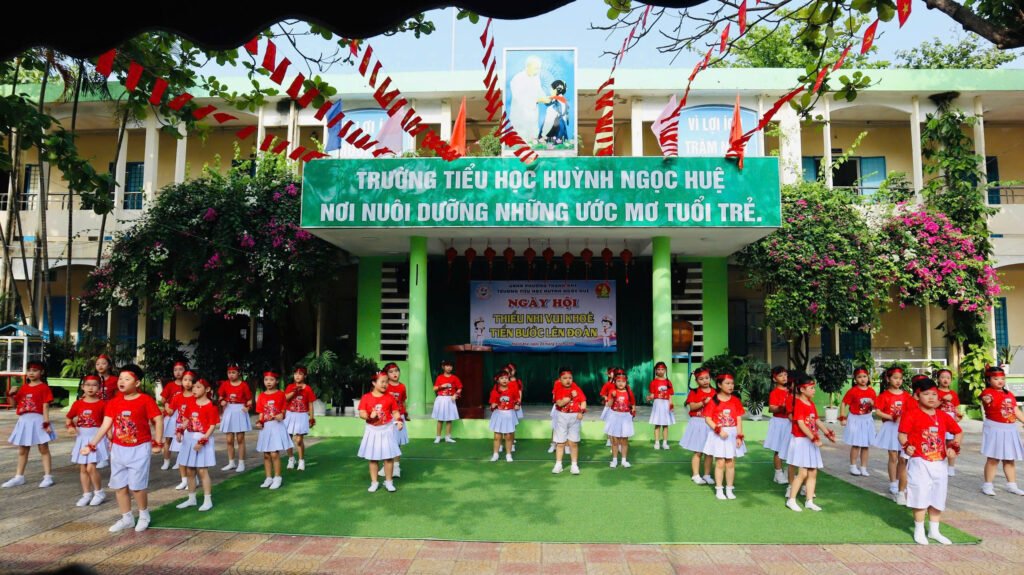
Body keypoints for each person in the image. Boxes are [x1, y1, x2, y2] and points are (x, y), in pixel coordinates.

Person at [81, 364, 163, 533]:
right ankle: (127, 518)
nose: (122, 382)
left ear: (137, 383)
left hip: (139, 447)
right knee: (120, 486)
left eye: (127, 379)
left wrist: (157, 442)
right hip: (118, 448)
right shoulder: (114, 402)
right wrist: (91, 445)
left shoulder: (145, 400)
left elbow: (158, 419)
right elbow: (105, 425)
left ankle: (144, 515)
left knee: (137, 486)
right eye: (120, 378)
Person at [900, 377, 963, 544]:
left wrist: (954, 446)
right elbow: (902, 434)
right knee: (920, 494)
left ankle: (934, 531)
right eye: (926, 394)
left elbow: (958, 432)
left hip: (940, 462)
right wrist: (907, 446)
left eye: (934, 394)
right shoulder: (911, 414)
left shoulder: (943, 416)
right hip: (920, 461)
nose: (931, 397)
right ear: (917, 396)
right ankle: (919, 530)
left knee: (937, 494)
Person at [785, 373, 836, 512]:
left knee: (813, 472)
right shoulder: (799, 404)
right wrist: (814, 438)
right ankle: (791, 500)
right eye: (811, 388)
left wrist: (827, 433)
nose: (814, 390)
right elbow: (801, 424)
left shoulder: (811, 404)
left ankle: (809, 501)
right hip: (802, 441)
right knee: (802, 473)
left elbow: (816, 420)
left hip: (811, 441)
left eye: (814, 388)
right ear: (802, 389)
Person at [2, 361, 55, 489]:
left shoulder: (44, 388)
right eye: (29, 370)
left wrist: (46, 423)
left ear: (41, 372)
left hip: (38, 420)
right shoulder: (24, 388)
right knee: (23, 450)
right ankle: (19, 477)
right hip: (24, 421)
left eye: (35, 370)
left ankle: (48, 477)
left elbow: (45, 406)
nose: (31, 373)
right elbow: (14, 405)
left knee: (43, 448)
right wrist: (10, 394)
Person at [174, 378, 219, 511]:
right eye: (193, 387)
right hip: (189, 438)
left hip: (202, 438)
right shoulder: (190, 403)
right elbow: (186, 420)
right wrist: (180, 431)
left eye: (198, 387)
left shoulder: (211, 406)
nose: (194, 389)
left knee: (202, 470)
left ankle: (207, 500)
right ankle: (191, 499)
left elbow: (212, 426)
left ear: (207, 389)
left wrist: (203, 441)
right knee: (190, 470)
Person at [979, 366, 1024, 496]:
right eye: (996, 378)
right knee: (993, 458)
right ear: (989, 380)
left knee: (1009, 458)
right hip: (994, 428)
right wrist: (987, 399)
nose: (1000, 381)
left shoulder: (1009, 394)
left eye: (1002, 378)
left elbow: (1015, 410)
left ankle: (1012, 485)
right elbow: (986, 398)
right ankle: (987, 485)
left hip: (1010, 428)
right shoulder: (987, 392)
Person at [702, 372, 746, 500]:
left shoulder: (736, 401)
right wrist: (718, 430)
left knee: (730, 463)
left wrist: (739, 436)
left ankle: (729, 489)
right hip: (719, 435)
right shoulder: (713, 400)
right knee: (720, 462)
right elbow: (708, 419)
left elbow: (738, 420)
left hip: (732, 435)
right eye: (727, 383)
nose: (731, 386)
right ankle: (719, 489)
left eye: (732, 383)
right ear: (719, 385)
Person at [66, 375, 108, 506]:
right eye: (88, 385)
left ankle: (99, 492)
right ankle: (86, 494)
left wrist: (110, 438)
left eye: (94, 385)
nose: (91, 388)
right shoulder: (78, 404)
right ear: (83, 387)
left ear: (99, 388)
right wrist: (70, 427)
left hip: (96, 438)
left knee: (91, 467)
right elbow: (69, 418)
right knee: (83, 468)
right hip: (82, 438)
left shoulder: (103, 404)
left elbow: (107, 422)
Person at [358, 371, 403, 492]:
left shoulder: (390, 397)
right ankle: (374, 482)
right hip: (372, 431)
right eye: (382, 382)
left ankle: (389, 482)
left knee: (388, 457)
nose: (385, 384)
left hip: (387, 430)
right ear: (374, 383)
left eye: (387, 382)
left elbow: (395, 412)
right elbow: (361, 412)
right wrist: (369, 415)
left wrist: (399, 421)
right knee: (373, 458)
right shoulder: (366, 397)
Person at [872, 367, 910, 504]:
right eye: (895, 378)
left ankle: (901, 481)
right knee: (893, 456)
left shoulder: (906, 396)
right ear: (888, 379)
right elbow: (878, 412)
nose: (898, 381)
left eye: (900, 378)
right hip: (890, 427)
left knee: (902, 458)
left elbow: (912, 410)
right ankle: (893, 482)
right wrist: (891, 417)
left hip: (904, 428)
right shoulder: (884, 395)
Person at [255, 371, 292, 490]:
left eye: (271, 380)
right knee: (266, 454)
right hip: (266, 427)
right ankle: (268, 478)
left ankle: (277, 477)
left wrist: (281, 415)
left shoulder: (281, 394)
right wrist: (259, 422)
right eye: (266, 380)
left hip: (276, 426)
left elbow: (284, 411)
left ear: (276, 381)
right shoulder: (261, 396)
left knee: (274, 453)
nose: (268, 382)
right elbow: (261, 413)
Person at [679, 367, 715, 485]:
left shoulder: (715, 392)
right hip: (698, 423)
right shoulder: (694, 392)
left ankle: (707, 475)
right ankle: (695, 475)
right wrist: (703, 402)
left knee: (709, 452)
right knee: (698, 451)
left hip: (711, 424)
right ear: (696, 381)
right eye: (701, 379)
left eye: (707, 378)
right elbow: (692, 407)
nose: (705, 381)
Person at [840, 367, 877, 477]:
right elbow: (843, 403)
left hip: (867, 419)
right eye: (859, 377)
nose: (862, 379)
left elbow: (876, 406)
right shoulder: (853, 391)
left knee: (865, 445)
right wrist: (842, 417)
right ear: (855, 379)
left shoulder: (871, 391)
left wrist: (872, 403)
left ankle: (863, 467)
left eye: (864, 376)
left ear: (868, 377)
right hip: (855, 419)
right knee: (856, 444)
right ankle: (853, 466)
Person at [551, 368, 587, 475]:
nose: (568, 380)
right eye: (565, 378)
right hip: (562, 417)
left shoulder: (576, 388)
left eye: (570, 378)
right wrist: (570, 396)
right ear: (560, 379)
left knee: (573, 443)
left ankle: (574, 465)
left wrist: (581, 411)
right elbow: (560, 403)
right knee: (560, 442)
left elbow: (583, 401)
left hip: (574, 417)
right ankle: (558, 465)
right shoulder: (558, 388)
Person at [218, 362, 252, 473]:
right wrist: (222, 401)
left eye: (233, 372)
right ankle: (231, 462)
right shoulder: (225, 384)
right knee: (229, 440)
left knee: (240, 439)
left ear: (238, 373)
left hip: (240, 410)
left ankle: (241, 463)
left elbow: (249, 400)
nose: (231, 375)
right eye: (229, 373)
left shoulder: (244, 385)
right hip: (229, 410)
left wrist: (248, 407)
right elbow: (220, 397)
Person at [166, 371, 196, 489]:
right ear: (182, 381)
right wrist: (166, 406)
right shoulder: (177, 396)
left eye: (190, 380)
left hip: (193, 429)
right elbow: (171, 411)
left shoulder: (196, 396)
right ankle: (184, 480)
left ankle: (194, 479)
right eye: (185, 380)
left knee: (191, 455)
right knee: (181, 456)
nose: (187, 382)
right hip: (180, 428)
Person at [508, 54, 549, 139]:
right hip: (520, 117)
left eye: (539, 68)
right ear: (528, 66)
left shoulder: (535, 78)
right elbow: (519, 98)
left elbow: (539, 91)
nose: (538, 71)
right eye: (536, 68)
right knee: (520, 140)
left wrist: (546, 98)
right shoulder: (518, 78)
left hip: (533, 117)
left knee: (533, 139)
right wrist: (538, 100)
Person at [284, 366, 317, 471]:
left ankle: (301, 460)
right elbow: (285, 399)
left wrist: (311, 418)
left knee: (299, 440)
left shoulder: (308, 389)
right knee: (287, 438)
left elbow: (310, 404)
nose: (297, 376)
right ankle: (291, 459)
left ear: (305, 376)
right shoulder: (290, 387)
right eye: (295, 374)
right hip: (289, 414)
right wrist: (294, 392)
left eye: (300, 374)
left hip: (302, 415)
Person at [763, 366, 791, 484]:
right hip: (780, 423)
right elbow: (771, 408)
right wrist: (782, 407)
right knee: (779, 449)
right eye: (780, 375)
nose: (784, 377)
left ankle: (788, 472)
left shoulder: (791, 391)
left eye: (785, 375)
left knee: (790, 448)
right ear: (774, 379)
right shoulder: (774, 393)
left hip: (790, 422)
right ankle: (778, 473)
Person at [605, 369, 637, 468]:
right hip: (615, 416)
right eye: (618, 381)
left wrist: (633, 411)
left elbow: (633, 403)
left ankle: (624, 460)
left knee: (624, 440)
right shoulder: (612, 391)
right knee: (614, 441)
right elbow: (608, 405)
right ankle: (614, 460)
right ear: (615, 381)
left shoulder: (629, 392)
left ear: (626, 382)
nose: (620, 383)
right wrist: (612, 397)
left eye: (623, 381)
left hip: (625, 417)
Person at [934, 368, 963, 477]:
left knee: (951, 443)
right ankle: (939, 465)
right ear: (938, 379)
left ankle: (951, 467)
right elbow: (932, 406)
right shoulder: (935, 392)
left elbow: (956, 408)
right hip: (938, 419)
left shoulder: (953, 394)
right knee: (938, 442)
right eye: (942, 377)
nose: (945, 380)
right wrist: (942, 399)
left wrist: (958, 416)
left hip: (951, 420)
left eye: (948, 378)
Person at [382, 363, 409, 478]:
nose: (394, 373)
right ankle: (386, 466)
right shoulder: (385, 386)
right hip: (387, 417)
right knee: (386, 442)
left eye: (396, 371)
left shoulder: (402, 387)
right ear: (386, 374)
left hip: (399, 417)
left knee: (397, 442)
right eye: (391, 372)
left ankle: (396, 467)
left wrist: (405, 413)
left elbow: (403, 401)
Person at [159, 361, 186, 470]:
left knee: (181, 439)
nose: (178, 372)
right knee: (168, 439)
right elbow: (163, 399)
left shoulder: (187, 385)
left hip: (183, 415)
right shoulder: (170, 385)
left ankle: (179, 461)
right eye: (175, 370)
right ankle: (166, 461)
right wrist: (167, 406)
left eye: (180, 369)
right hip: (171, 415)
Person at [488, 371, 518, 462]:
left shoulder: (512, 389)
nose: (504, 380)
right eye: (501, 378)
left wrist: (517, 405)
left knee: (508, 436)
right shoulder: (494, 391)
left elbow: (517, 400)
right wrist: (493, 406)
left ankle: (508, 455)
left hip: (509, 414)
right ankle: (495, 454)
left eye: (506, 378)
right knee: (497, 436)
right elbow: (492, 406)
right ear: (497, 380)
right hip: (499, 414)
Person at [647, 361, 676, 450]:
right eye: (658, 369)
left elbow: (670, 395)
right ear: (655, 371)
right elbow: (652, 395)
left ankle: (664, 443)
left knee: (665, 425)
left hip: (666, 404)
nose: (660, 371)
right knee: (657, 424)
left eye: (662, 369)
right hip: (658, 404)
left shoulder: (668, 382)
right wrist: (649, 398)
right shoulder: (653, 382)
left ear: (665, 370)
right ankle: (657, 443)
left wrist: (671, 404)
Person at [432, 359, 462, 443]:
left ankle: (448, 437)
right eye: (447, 366)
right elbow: (434, 388)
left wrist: (455, 395)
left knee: (449, 419)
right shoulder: (439, 377)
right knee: (440, 419)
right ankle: (438, 437)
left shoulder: (454, 378)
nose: (449, 368)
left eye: (450, 366)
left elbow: (460, 388)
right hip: (441, 399)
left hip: (450, 399)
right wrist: (442, 386)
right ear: (443, 367)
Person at [540, 79, 570, 144]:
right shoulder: (563, 100)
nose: (550, 91)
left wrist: (543, 134)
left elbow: (549, 120)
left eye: (551, 89)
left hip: (555, 126)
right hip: (561, 125)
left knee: (553, 143)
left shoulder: (555, 103)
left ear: (557, 90)